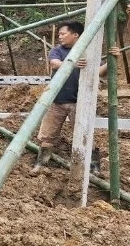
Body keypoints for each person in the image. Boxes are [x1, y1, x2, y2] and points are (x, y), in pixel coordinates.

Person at [31, 21, 114, 173]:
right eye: (59, 34)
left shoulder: (89, 52)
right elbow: (54, 64)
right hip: (57, 101)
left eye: (63, 34)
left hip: (80, 103)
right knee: (47, 134)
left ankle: (93, 167)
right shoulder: (57, 50)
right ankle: (41, 164)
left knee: (85, 135)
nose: (60, 37)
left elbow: (100, 72)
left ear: (75, 35)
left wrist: (111, 60)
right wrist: (73, 63)